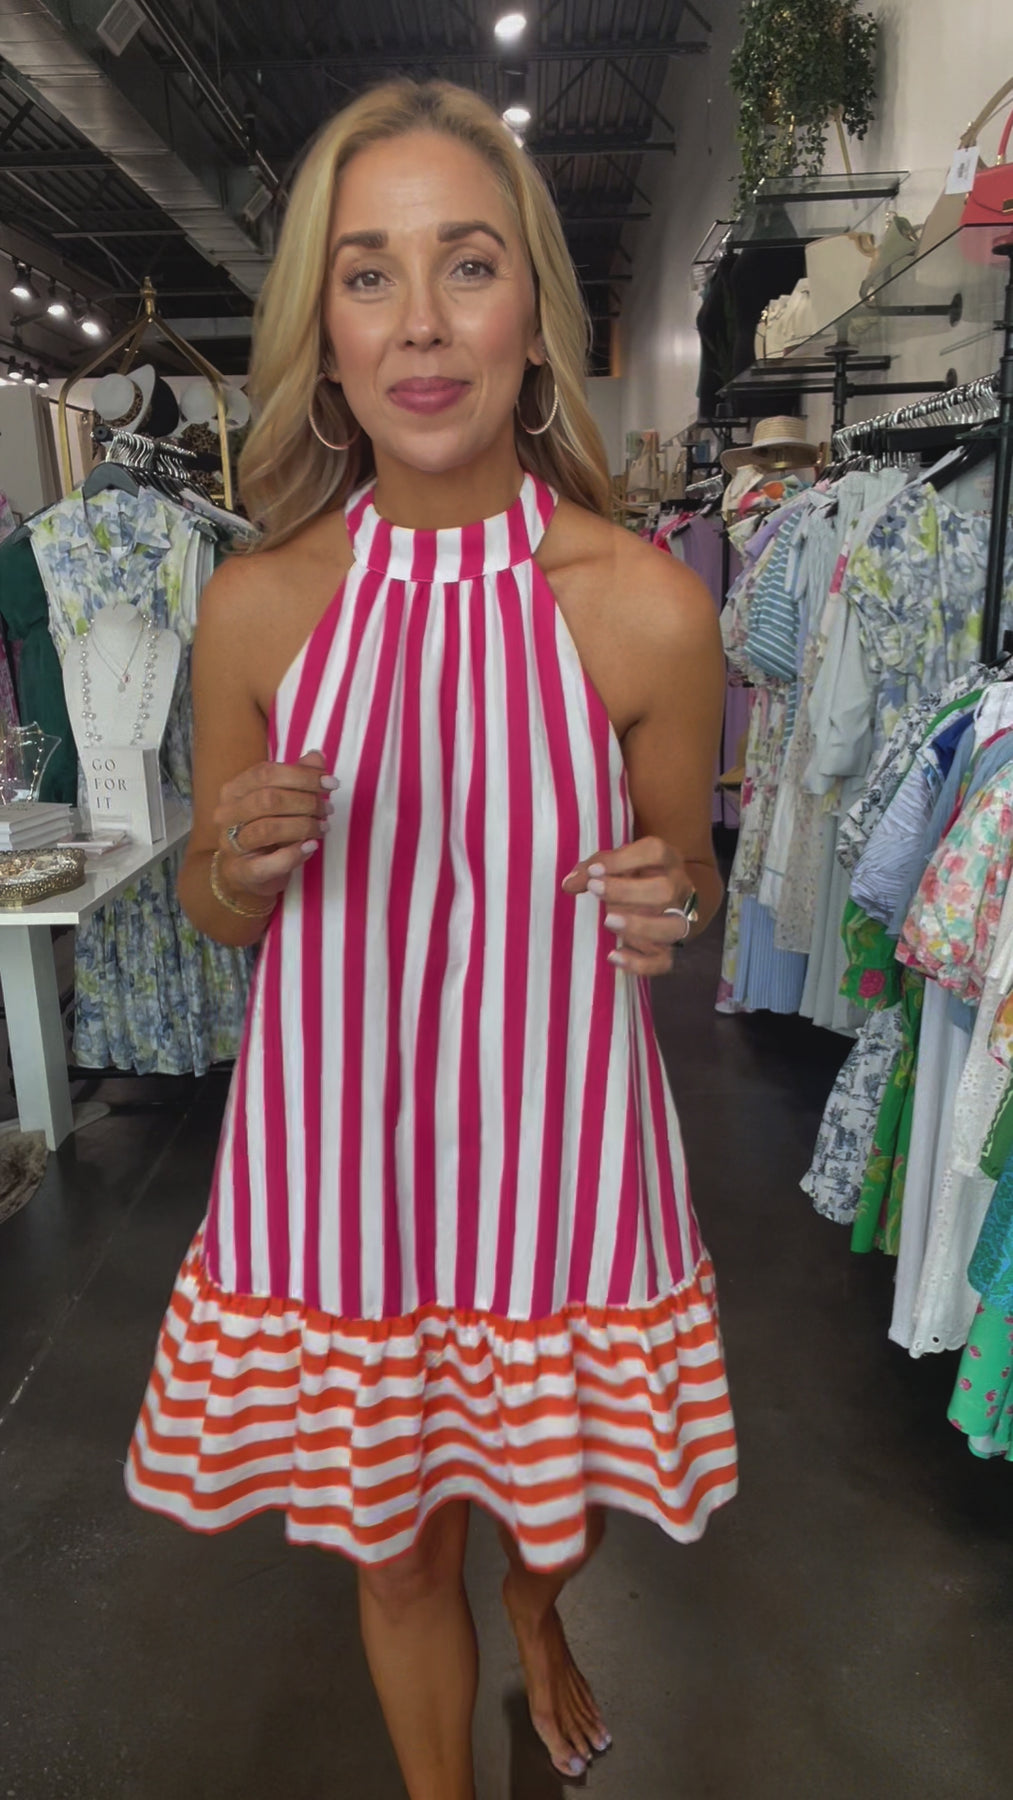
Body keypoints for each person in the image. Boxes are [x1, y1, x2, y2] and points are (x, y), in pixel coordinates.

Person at [125, 78, 738, 1799]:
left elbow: (689, 868)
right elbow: (211, 907)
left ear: (533, 318)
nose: (418, 322)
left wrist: (670, 898)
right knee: (395, 1552)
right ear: (323, 338)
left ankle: (539, 1614)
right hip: (340, 1166)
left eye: (465, 266)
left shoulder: (645, 609)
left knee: (558, 1510)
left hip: (560, 1155)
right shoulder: (258, 606)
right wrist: (235, 865)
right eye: (368, 274)